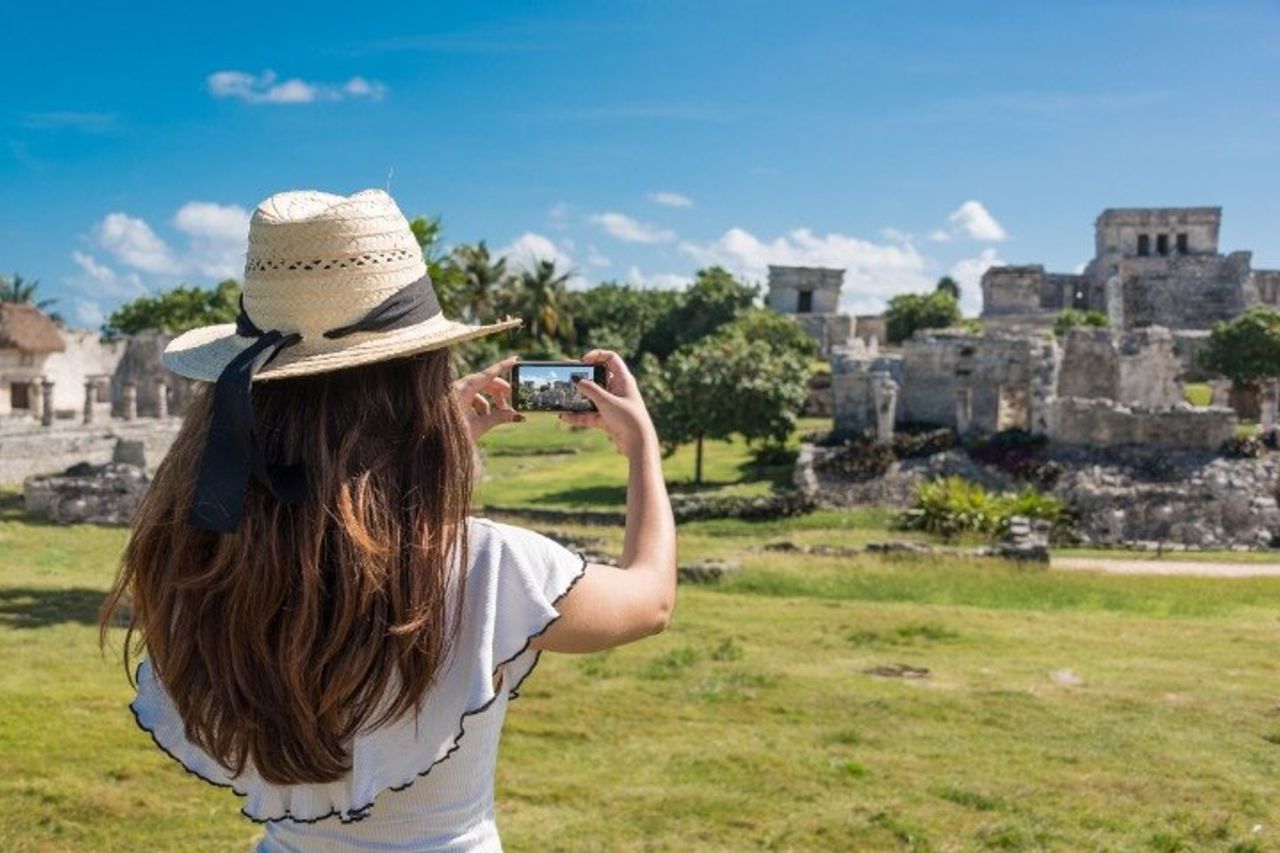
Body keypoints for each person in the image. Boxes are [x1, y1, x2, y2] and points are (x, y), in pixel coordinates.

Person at [99, 189, 677, 851]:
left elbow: (343, 542)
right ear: (418, 383)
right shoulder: (489, 568)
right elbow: (650, 596)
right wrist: (643, 450)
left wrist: (420, 452)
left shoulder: (199, 557)